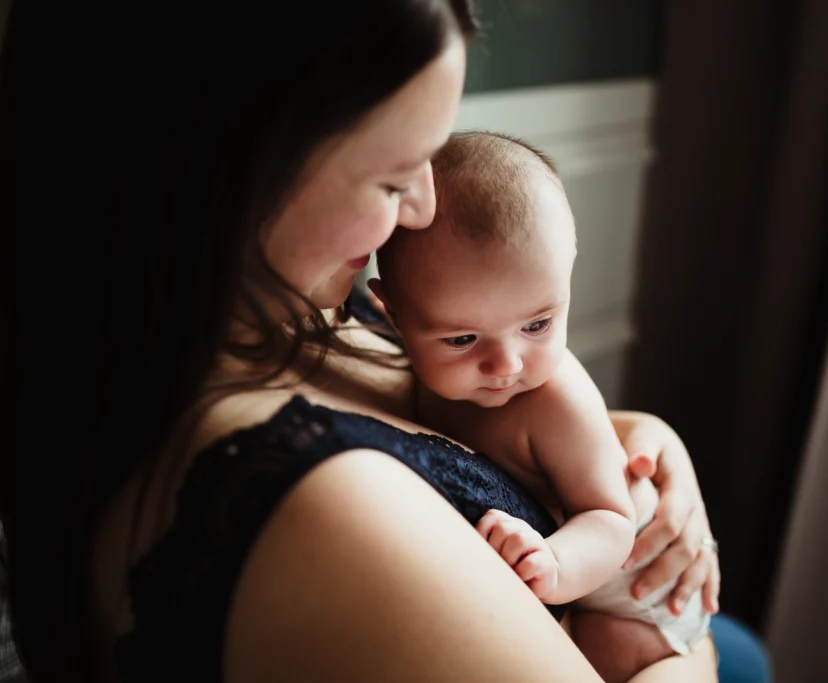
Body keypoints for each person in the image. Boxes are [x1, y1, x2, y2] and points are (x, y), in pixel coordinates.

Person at [1, 2, 767, 682]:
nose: (423, 208)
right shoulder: (316, 506)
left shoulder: (313, 313)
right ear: (236, 169)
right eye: (393, 176)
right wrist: (686, 645)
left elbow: (478, 421)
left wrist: (647, 445)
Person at [370, 131, 713, 678]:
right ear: (392, 315)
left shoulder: (555, 399)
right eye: (462, 339)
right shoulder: (401, 361)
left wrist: (553, 561)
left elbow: (611, 519)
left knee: (603, 658)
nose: (506, 365)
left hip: (638, 592)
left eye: (537, 325)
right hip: (589, 583)